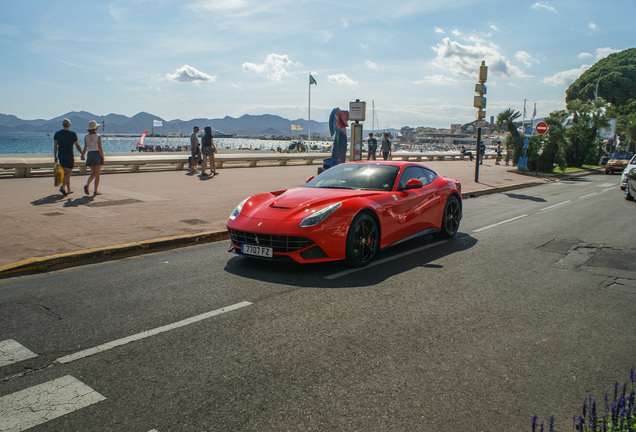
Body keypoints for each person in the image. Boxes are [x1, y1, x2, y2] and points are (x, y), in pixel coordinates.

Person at [53, 118, 82, 196]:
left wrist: (55, 156)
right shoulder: (73, 134)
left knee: (66, 173)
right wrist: (82, 153)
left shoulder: (57, 134)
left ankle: (68, 190)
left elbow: (55, 146)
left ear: (62, 125)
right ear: (69, 125)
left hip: (61, 155)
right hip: (69, 155)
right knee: (68, 173)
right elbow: (77, 145)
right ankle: (62, 187)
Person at [82, 120, 105, 196]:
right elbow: (100, 148)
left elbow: (85, 147)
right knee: (97, 174)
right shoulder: (98, 136)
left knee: (93, 173)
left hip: (90, 154)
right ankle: (95, 191)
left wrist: (83, 155)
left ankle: (87, 185)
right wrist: (103, 157)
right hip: (96, 154)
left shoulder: (86, 137)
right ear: (95, 128)